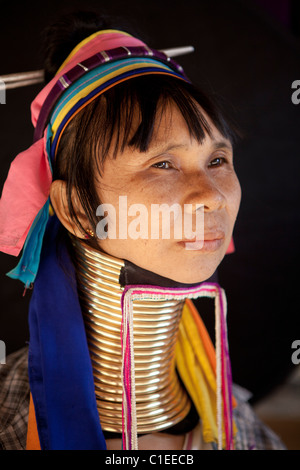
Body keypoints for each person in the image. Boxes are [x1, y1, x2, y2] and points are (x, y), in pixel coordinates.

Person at [0, 11, 286, 450]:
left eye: (217, 161)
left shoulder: (235, 420)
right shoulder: (9, 416)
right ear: (77, 208)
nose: (212, 197)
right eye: (163, 165)